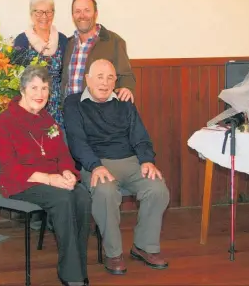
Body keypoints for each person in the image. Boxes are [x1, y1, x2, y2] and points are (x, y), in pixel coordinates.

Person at [63, 59, 170, 276]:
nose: (104, 82)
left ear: (116, 81)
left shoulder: (124, 102)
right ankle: (113, 253)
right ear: (88, 79)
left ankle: (144, 246)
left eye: (110, 77)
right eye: (99, 77)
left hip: (130, 162)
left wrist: (147, 160)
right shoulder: (73, 103)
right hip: (94, 163)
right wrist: (95, 166)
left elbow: (141, 137)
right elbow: (77, 142)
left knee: (158, 188)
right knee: (105, 191)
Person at [0, 65, 91, 286]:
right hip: (21, 183)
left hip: (52, 181)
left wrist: (68, 173)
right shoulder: (6, 121)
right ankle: (72, 274)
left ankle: (77, 265)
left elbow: (63, 155)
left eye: (44, 88)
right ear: (22, 90)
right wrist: (49, 178)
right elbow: (9, 167)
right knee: (63, 198)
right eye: (34, 88)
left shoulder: (48, 120)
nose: (40, 94)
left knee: (83, 196)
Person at [61, 0, 136, 104]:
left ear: (96, 14)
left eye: (87, 10)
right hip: (71, 114)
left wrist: (126, 87)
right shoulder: (67, 44)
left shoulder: (114, 41)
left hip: (99, 115)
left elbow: (126, 76)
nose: (82, 15)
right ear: (73, 16)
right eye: (77, 11)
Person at [11, 0, 69, 128]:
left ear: (53, 14)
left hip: (57, 105)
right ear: (31, 14)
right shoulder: (22, 40)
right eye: (39, 12)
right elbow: (16, 76)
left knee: (55, 143)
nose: (44, 17)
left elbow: (66, 73)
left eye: (48, 12)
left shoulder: (62, 40)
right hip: (31, 103)